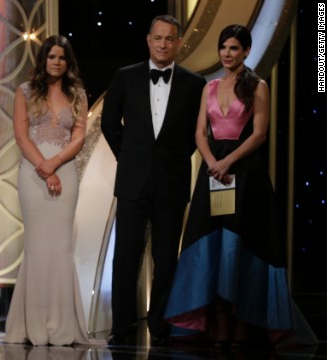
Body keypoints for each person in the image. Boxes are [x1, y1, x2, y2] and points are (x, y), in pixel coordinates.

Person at [164, 24, 317, 348]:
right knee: (212, 241)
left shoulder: (257, 86)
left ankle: (242, 320)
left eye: (234, 48)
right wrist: (211, 162)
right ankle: (217, 318)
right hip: (214, 172)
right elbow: (199, 133)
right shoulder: (209, 87)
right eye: (224, 48)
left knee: (242, 243)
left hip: (245, 173)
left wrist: (227, 162)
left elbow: (259, 134)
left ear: (246, 51)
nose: (227, 54)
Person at [100, 15, 206, 346]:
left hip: (171, 181)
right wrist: (131, 156)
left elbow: (195, 133)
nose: (163, 44)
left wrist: (170, 158)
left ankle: (160, 324)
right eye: (158, 38)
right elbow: (108, 123)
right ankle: (122, 325)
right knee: (126, 256)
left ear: (178, 43)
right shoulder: (125, 76)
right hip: (133, 179)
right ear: (148, 40)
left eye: (169, 39)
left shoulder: (194, 84)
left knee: (166, 257)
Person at [3, 35, 99, 346]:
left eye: (61, 57)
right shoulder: (25, 92)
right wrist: (43, 167)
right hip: (32, 174)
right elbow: (21, 134)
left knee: (60, 248)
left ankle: (62, 326)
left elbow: (79, 137)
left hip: (65, 172)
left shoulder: (78, 95)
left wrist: (55, 164)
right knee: (37, 247)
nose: (56, 62)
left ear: (68, 62)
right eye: (51, 57)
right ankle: (32, 326)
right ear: (43, 60)